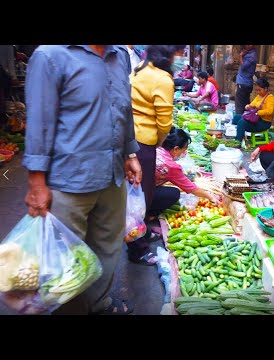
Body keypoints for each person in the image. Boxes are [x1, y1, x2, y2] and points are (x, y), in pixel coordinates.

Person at [23, 45, 142, 315]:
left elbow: (123, 107)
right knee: (66, 259)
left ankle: (98, 303)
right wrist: (36, 182)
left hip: (112, 173)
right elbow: (40, 120)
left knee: (108, 246)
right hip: (69, 179)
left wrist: (130, 151)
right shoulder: (50, 56)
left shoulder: (119, 55)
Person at [126, 45, 186, 266]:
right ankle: (137, 250)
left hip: (132, 137)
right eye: (178, 52)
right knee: (141, 196)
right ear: (168, 53)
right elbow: (164, 122)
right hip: (144, 141)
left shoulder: (140, 69)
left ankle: (140, 234)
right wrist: (160, 142)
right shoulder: (162, 79)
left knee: (137, 193)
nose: (180, 57)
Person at [149, 127, 219, 217]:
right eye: (184, 149)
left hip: (135, 186)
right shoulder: (170, 166)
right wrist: (210, 196)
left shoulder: (157, 148)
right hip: (143, 194)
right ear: (176, 149)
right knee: (173, 193)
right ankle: (149, 215)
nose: (185, 153)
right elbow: (192, 189)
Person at [233, 77, 274, 142]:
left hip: (263, 123)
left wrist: (258, 112)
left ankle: (238, 142)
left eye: (260, 90)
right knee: (236, 117)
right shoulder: (259, 96)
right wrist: (248, 106)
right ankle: (235, 135)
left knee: (242, 122)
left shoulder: (270, 98)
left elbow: (270, 111)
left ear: (266, 89)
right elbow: (252, 104)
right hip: (255, 118)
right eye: (257, 90)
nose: (258, 92)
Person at [234, 45, 257, 119]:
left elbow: (243, 67)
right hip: (245, 82)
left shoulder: (252, 56)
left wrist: (241, 56)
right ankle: (246, 119)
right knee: (245, 104)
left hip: (244, 83)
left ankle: (239, 121)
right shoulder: (248, 53)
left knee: (240, 104)